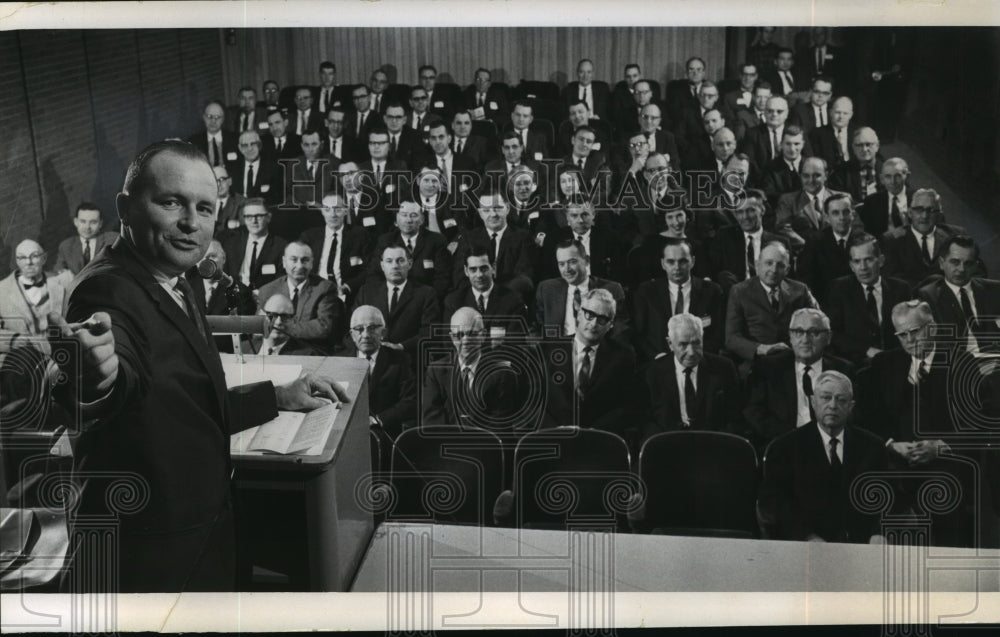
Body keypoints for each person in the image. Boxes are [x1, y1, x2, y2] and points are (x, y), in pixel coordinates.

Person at [49, 140, 346, 592]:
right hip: (146, 558)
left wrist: (278, 396)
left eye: (205, 208)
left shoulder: (175, 277)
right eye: (171, 202)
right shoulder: (105, 291)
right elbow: (106, 386)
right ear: (125, 208)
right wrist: (95, 380)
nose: (191, 223)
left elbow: (187, 408)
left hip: (198, 536)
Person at [759, 371, 888, 543]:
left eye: (841, 400)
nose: (833, 405)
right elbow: (775, 503)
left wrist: (879, 532)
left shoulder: (873, 447)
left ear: (851, 406)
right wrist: (807, 536)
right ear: (813, 402)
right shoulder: (785, 447)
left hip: (862, 547)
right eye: (826, 398)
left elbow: (890, 498)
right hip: (805, 547)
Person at [744, 308, 854, 451]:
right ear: (790, 336)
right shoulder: (767, 368)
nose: (805, 340)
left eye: (814, 332)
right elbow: (754, 412)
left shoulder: (844, 370)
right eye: (798, 332)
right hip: (782, 445)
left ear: (828, 337)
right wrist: (795, 439)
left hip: (830, 446)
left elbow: (851, 414)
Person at [541, 288, 639, 435]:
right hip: (553, 438)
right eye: (589, 315)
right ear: (579, 314)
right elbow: (533, 402)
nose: (594, 324)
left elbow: (626, 406)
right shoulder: (547, 350)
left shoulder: (623, 356)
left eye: (602, 319)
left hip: (601, 440)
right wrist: (554, 430)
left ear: (610, 325)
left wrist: (596, 432)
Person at [724, 240, 818, 372]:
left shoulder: (800, 290)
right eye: (768, 263)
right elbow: (731, 338)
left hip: (795, 360)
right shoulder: (739, 292)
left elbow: (818, 324)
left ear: (787, 269)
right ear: (757, 265)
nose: (773, 270)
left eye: (780, 265)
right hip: (757, 364)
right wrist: (761, 348)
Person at [421, 307, 522, 426]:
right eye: (459, 335)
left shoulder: (501, 373)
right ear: (452, 338)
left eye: (472, 334)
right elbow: (432, 422)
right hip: (447, 443)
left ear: (483, 335)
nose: (465, 341)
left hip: (485, 443)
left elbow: (499, 425)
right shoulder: (436, 372)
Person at [644, 312, 740, 435]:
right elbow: (646, 421)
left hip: (713, 443)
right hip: (668, 443)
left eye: (696, 343)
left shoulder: (724, 368)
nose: (691, 352)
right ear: (670, 344)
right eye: (683, 345)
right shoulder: (652, 373)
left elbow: (735, 416)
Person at [825, 233, 911, 365]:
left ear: (881, 260)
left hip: (895, 362)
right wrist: (866, 350)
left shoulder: (901, 289)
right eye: (857, 261)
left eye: (869, 260)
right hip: (855, 365)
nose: (863, 267)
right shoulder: (840, 289)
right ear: (851, 266)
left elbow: (909, 330)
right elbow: (834, 334)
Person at [632, 238, 725, 362]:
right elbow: (639, 335)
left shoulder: (712, 291)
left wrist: (695, 356)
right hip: (658, 362)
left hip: (699, 361)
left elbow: (718, 334)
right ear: (663, 264)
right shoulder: (647, 291)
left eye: (683, 261)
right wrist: (657, 356)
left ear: (692, 261)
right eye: (670, 262)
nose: (677, 267)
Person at [351, 243, 439, 361]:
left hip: (409, 360)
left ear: (410, 264)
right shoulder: (366, 292)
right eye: (389, 261)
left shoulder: (426, 293)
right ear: (382, 265)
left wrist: (401, 347)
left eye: (400, 261)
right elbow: (352, 328)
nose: (395, 266)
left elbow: (429, 332)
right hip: (370, 358)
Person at [256, 241, 345, 355]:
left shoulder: (325, 289)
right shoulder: (267, 290)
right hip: (275, 350)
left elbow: (323, 327)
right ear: (284, 262)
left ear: (312, 263)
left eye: (305, 260)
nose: (299, 266)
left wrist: (281, 327)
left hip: (311, 352)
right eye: (294, 259)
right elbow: (259, 326)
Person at [917, 235, 1000, 355]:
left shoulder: (994, 290)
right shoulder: (929, 296)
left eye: (968, 264)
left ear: (976, 265)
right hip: (959, 365)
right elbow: (935, 345)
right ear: (941, 263)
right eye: (955, 262)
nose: (961, 269)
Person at [342, 305, 417, 437]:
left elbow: (410, 402)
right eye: (359, 329)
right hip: (347, 433)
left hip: (384, 434)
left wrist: (377, 420)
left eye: (372, 328)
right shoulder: (340, 361)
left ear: (383, 333)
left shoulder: (400, 360)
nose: (365, 335)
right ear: (352, 335)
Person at [534, 239, 628, 342]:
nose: (567, 269)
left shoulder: (612, 289)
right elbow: (536, 327)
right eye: (561, 264)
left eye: (572, 262)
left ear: (586, 260)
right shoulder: (547, 289)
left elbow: (620, 330)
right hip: (558, 352)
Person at [451, 190, 534, 302]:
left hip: (510, 301)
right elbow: (460, 278)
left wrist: (494, 298)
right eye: (486, 210)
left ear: (508, 209)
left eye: (498, 208)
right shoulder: (469, 239)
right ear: (480, 213)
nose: (493, 214)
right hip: (476, 301)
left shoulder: (523, 238)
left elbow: (524, 278)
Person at [369, 200, 451, 299]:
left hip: (427, 300)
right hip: (393, 297)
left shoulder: (437, 241)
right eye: (404, 215)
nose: (408, 220)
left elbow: (442, 279)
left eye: (413, 215)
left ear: (422, 219)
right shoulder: (385, 241)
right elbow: (374, 275)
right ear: (396, 219)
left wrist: (427, 300)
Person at [184, 239, 255, 353]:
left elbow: (244, 333)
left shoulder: (240, 291)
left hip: (225, 356)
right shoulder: (185, 288)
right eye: (201, 256)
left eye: (212, 256)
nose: (206, 261)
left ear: (224, 259)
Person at [300, 192, 371, 306]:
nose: (333, 215)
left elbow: (369, 269)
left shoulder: (359, 235)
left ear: (346, 210)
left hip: (347, 295)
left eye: (337, 209)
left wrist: (348, 286)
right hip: (314, 294)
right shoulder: (309, 237)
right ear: (322, 212)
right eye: (327, 210)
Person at [882, 188, 960, 288]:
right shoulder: (892, 240)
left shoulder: (955, 235)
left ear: (939, 215)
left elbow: (976, 271)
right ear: (910, 213)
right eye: (919, 210)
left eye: (930, 210)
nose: (924, 216)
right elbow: (892, 279)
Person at [796, 192, 861, 302]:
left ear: (853, 214)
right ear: (827, 217)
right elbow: (805, 279)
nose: (842, 218)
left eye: (846, 212)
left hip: (858, 301)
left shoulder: (864, 240)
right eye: (835, 213)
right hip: (825, 303)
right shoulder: (814, 242)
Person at [0, 240, 74, 336]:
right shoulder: (2, 289)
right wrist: (15, 341)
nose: (28, 262)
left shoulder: (65, 281)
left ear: (44, 258)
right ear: (17, 261)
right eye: (22, 257)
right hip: (21, 349)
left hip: (64, 346)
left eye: (34, 256)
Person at [443, 247, 528, 330]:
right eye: (473, 269)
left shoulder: (513, 300)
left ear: (493, 268)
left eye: (484, 269)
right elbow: (449, 341)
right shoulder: (453, 302)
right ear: (466, 271)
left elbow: (515, 342)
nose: (479, 275)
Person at [774, 157, 846, 249]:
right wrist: (810, 247)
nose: (811, 180)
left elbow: (855, 226)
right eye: (806, 176)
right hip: (804, 253)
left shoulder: (842, 198)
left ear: (826, 176)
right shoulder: (788, 200)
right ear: (800, 176)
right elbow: (783, 228)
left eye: (817, 175)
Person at [220, 197, 286, 291]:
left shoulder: (280, 246)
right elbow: (224, 276)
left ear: (268, 217)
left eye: (259, 216)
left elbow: (281, 281)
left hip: (265, 298)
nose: (253, 221)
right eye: (249, 217)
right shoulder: (231, 244)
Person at [55, 202, 118, 274]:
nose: (87, 227)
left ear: (100, 224)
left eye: (93, 222)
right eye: (83, 221)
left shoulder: (112, 240)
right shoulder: (66, 246)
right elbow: (58, 272)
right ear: (76, 222)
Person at [858, 157, 914, 236]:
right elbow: (866, 233)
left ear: (907, 176)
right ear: (882, 179)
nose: (893, 181)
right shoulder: (871, 201)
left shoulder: (920, 197)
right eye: (888, 176)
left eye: (897, 176)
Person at [829, 127, 883, 204]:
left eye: (868, 144)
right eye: (859, 145)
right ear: (853, 147)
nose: (864, 149)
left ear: (877, 146)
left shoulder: (889, 169)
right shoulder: (840, 172)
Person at [255, 294, 322, 356]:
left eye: (285, 317)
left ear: (294, 320)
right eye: (272, 315)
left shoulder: (307, 355)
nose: (278, 322)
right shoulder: (245, 348)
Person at [186, 100, 238, 169]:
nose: (213, 121)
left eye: (217, 117)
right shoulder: (194, 142)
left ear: (223, 119)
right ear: (204, 117)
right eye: (209, 116)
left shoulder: (234, 139)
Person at [808, 96, 856, 169]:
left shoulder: (857, 133)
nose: (841, 117)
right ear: (830, 112)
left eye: (845, 113)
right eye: (837, 112)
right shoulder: (817, 134)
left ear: (851, 115)